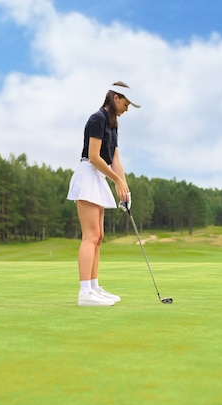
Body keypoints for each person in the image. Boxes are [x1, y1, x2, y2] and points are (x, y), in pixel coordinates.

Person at [66, 82, 140, 306]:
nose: (127, 109)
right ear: (116, 97)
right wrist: (115, 180)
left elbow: (114, 159)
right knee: (90, 236)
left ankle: (94, 287)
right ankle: (84, 292)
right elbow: (94, 156)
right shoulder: (97, 119)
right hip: (89, 173)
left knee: (99, 236)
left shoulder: (113, 124)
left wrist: (124, 188)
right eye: (126, 104)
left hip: (99, 176)